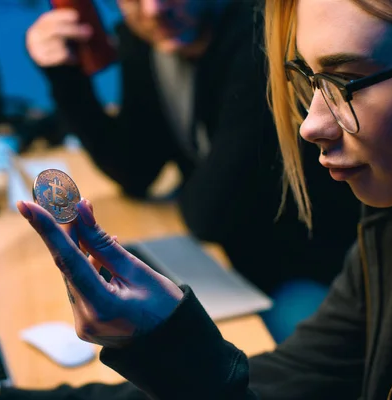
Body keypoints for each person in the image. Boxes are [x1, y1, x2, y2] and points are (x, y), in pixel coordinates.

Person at [0, 0, 392, 398]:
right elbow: (285, 375)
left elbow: (208, 210)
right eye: (307, 78)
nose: (309, 124)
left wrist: (169, 346)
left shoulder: (246, 37)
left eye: (346, 80)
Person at [25, 0, 361, 300]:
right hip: (228, 259)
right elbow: (135, 169)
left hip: (308, 267)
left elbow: (211, 215)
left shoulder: (259, 33)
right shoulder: (149, 37)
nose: (153, 8)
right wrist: (66, 76)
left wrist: (188, 190)